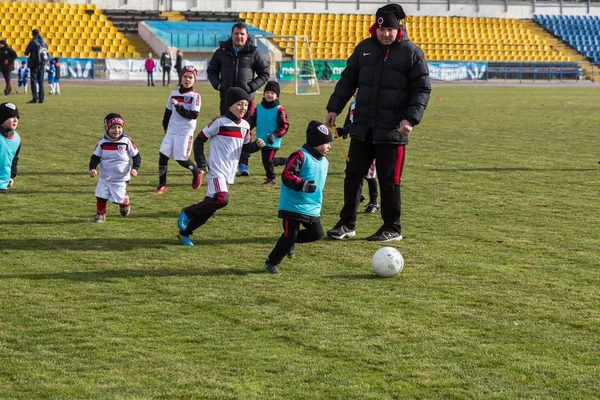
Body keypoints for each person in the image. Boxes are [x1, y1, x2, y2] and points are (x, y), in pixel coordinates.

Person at [325, 3, 431, 242]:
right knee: (353, 176)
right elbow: (347, 80)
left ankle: (392, 228)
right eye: (381, 30)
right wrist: (334, 108)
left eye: (390, 30)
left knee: (389, 181)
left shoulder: (412, 53)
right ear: (375, 28)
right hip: (363, 127)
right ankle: (346, 224)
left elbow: (422, 89)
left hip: (393, 130)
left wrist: (410, 119)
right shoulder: (363, 48)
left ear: (398, 29)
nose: (385, 34)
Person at [176, 87, 266, 246]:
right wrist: (201, 162)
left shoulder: (245, 126)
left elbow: (245, 148)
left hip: (230, 172)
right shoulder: (219, 122)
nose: (243, 108)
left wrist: (256, 146)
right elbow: (199, 140)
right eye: (239, 104)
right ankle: (187, 212)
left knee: (210, 208)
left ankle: (185, 233)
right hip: (217, 170)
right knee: (222, 199)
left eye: (246, 104)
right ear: (230, 105)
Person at [263, 121, 333, 274]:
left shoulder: (325, 162)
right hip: (292, 205)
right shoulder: (300, 155)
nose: (329, 147)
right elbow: (287, 174)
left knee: (317, 234)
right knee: (290, 235)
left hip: (312, 206)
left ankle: (289, 243)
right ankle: (272, 262)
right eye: (325, 143)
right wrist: (302, 184)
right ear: (315, 142)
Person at [207, 22, 270, 177]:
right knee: (225, 132)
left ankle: (243, 164)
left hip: (246, 101)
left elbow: (265, 73)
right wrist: (218, 85)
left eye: (242, 34)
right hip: (226, 100)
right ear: (232, 34)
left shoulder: (253, 52)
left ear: (246, 36)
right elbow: (212, 70)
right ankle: (227, 163)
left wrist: (250, 87)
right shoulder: (221, 51)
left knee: (245, 132)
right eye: (236, 33)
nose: (239, 36)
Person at [155, 65, 202, 194]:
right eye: (185, 76)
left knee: (181, 159)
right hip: (171, 130)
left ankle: (196, 171)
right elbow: (167, 112)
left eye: (190, 77)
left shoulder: (195, 96)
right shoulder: (173, 93)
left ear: (195, 80)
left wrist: (178, 106)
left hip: (185, 132)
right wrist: (165, 127)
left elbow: (193, 115)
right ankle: (162, 185)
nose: (187, 79)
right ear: (181, 78)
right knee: (163, 155)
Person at [89, 113, 141, 223]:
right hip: (105, 176)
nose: (116, 130)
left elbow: (136, 156)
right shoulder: (102, 142)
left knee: (118, 200)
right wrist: (92, 168)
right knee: (101, 196)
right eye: (113, 128)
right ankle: (101, 215)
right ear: (107, 128)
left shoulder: (127, 141)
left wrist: (135, 168)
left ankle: (124, 201)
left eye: (119, 127)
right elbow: (95, 157)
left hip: (121, 178)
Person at [337, 91, 379, 214]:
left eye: (358, 91)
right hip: (356, 142)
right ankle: (356, 196)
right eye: (354, 92)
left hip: (369, 142)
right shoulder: (353, 105)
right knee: (349, 170)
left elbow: (363, 124)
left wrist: (347, 129)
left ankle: (374, 202)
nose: (355, 94)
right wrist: (344, 130)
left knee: (370, 174)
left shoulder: (370, 105)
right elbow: (350, 120)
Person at [248, 81, 289, 184]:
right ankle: (285, 161)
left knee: (268, 160)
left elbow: (284, 126)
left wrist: (275, 135)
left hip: (272, 141)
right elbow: (253, 120)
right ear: (264, 94)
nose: (269, 95)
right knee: (267, 160)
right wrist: (245, 127)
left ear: (277, 96)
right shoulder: (259, 107)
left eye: (272, 93)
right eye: (267, 92)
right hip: (261, 139)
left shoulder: (279, 110)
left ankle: (272, 178)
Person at [0, 102, 21, 194]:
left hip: (3, 183)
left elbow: (14, 158)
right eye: (12, 117)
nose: (15, 120)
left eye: (17, 117)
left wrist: (11, 176)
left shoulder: (17, 139)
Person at [24, 28, 48, 104]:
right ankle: (41, 99)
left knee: (33, 81)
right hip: (42, 64)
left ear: (32, 34)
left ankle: (35, 98)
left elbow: (26, 52)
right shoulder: (44, 42)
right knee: (41, 81)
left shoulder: (33, 42)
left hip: (34, 64)